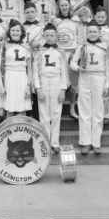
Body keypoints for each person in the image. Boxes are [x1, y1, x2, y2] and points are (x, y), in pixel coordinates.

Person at [69, 20, 109, 155]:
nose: (92, 34)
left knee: (98, 111)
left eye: (95, 31)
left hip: (99, 78)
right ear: (86, 33)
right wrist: (78, 68)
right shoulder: (82, 46)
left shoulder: (105, 47)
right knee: (84, 110)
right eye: (90, 32)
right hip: (85, 77)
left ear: (99, 32)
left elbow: (108, 68)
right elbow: (72, 62)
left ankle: (96, 143)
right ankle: (85, 142)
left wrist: (107, 85)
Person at [33, 22, 70, 153]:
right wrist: (38, 88)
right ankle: (45, 142)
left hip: (56, 81)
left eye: (52, 35)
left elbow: (64, 72)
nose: (49, 38)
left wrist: (63, 89)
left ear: (56, 36)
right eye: (47, 35)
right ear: (43, 36)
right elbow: (35, 71)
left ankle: (55, 143)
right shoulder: (39, 51)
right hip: (43, 82)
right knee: (44, 115)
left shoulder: (61, 51)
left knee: (56, 113)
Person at [54, 0, 84, 120]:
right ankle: (57, 110)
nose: (64, 7)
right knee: (59, 81)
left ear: (69, 6)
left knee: (73, 82)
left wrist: (78, 52)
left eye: (66, 5)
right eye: (62, 5)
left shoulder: (76, 20)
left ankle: (72, 109)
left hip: (72, 52)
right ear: (59, 7)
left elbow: (81, 37)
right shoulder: (55, 20)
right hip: (60, 52)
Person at [0, 19, 32, 119]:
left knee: (22, 108)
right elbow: (0, 67)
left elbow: (29, 68)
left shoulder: (26, 46)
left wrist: (28, 86)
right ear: (9, 32)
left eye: (17, 31)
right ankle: (11, 132)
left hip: (22, 77)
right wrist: (1, 85)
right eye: (13, 30)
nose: (15, 33)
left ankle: (21, 133)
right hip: (9, 77)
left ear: (21, 32)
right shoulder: (4, 46)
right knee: (9, 108)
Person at [22, 1, 45, 121]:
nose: (30, 15)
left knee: (36, 85)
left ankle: (36, 117)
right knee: (25, 85)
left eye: (32, 12)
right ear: (24, 13)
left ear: (36, 12)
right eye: (27, 12)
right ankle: (25, 115)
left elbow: (47, 41)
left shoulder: (42, 27)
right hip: (24, 60)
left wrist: (39, 44)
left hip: (37, 58)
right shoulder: (20, 27)